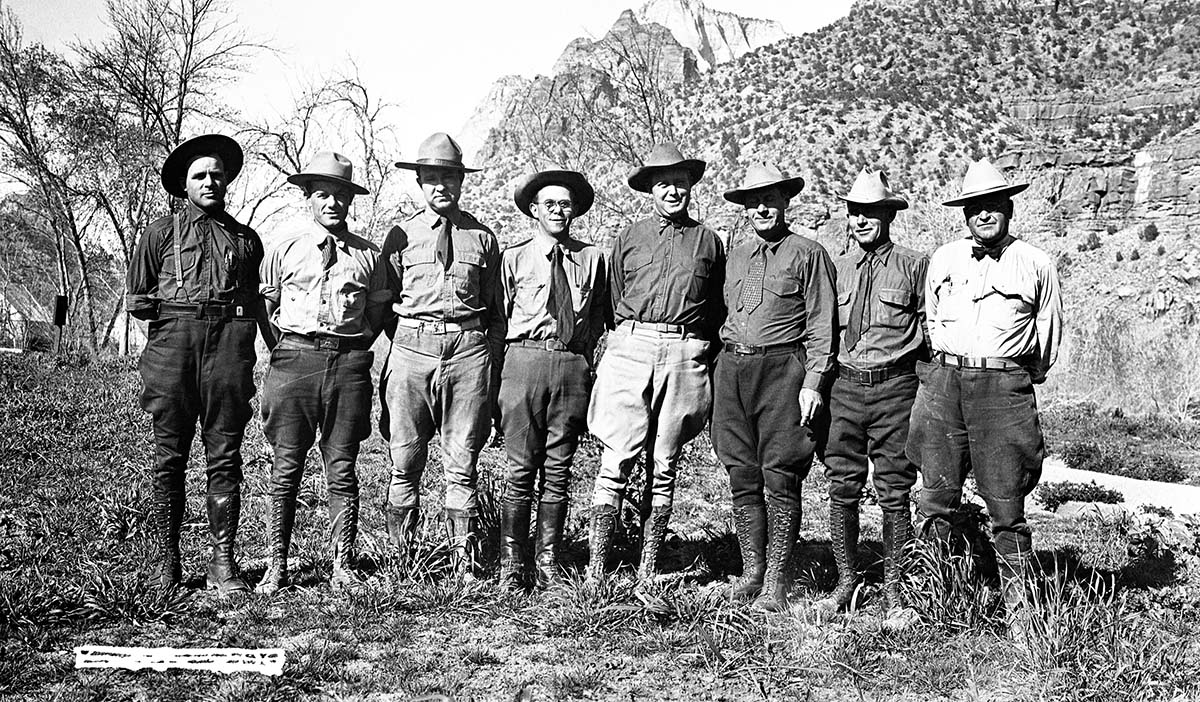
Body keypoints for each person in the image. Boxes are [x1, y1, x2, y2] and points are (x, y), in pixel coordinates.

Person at [905, 159, 1063, 622]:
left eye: (993, 205)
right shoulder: (944, 259)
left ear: (1009, 209)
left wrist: (1007, 374)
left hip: (1002, 388)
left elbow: (1047, 340)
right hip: (944, 384)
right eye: (975, 207)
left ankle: (1019, 611)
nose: (984, 214)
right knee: (935, 497)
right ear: (965, 213)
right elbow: (932, 319)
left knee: (1006, 502)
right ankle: (935, 599)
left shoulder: (1036, 263)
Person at [127, 134, 269, 596]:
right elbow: (139, 301)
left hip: (228, 348)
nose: (210, 182)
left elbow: (254, 299)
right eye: (200, 175)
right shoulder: (159, 234)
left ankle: (222, 564)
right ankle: (165, 562)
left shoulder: (245, 240)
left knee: (225, 455)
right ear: (184, 184)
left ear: (227, 181)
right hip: (173, 350)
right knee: (169, 456)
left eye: (217, 175)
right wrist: (178, 326)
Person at [587, 143, 726, 582]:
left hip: (684, 351)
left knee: (665, 462)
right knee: (616, 458)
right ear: (650, 189)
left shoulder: (708, 242)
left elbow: (715, 308)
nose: (672, 191)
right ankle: (596, 572)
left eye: (680, 183)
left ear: (690, 187)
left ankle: (648, 568)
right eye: (663, 183)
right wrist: (632, 337)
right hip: (632, 345)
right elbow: (612, 299)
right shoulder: (629, 237)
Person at [256, 152, 392, 594]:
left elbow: (376, 314)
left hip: (348, 365)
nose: (332, 203)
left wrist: (352, 350)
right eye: (322, 195)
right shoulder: (285, 246)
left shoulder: (368, 256)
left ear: (350, 201)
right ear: (308, 198)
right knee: (286, 464)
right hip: (295, 359)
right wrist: (286, 350)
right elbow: (267, 306)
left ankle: (342, 565)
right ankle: (276, 565)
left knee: (343, 465)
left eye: (340, 195)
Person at [711, 163, 837, 611]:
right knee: (741, 472)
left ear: (786, 202)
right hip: (733, 369)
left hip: (783, 371)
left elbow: (822, 324)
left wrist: (814, 382)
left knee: (780, 474)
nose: (762, 208)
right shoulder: (736, 256)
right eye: (753, 201)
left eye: (770, 199)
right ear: (745, 208)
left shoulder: (809, 253)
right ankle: (752, 572)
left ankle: (778, 581)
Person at [380, 133, 503, 579]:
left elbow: (495, 310)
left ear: (461, 181)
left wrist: (483, 359)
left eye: (448, 177)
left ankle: (463, 565)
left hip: (468, 354)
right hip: (412, 350)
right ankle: (401, 561)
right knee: (404, 461)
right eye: (431, 177)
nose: (440, 186)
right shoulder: (400, 236)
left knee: (463, 463)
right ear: (419, 182)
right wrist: (412, 341)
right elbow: (384, 302)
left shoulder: (482, 237)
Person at [816, 169, 927, 628]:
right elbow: (821, 330)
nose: (861, 220)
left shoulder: (914, 265)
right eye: (854, 212)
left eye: (871, 212)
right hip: (844, 387)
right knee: (841, 484)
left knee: (894, 488)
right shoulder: (836, 268)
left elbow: (931, 331)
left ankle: (895, 590)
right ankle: (846, 583)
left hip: (895, 389)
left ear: (889, 215)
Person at [496, 167, 607, 591]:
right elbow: (498, 319)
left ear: (574, 210)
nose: (558, 211)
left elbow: (598, 317)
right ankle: (511, 563)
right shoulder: (514, 258)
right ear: (533, 210)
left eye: (565, 204)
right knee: (520, 467)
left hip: (571, 365)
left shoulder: (592, 258)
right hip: (523, 363)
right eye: (549, 204)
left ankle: (548, 561)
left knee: (559, 468)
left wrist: (580, 359)